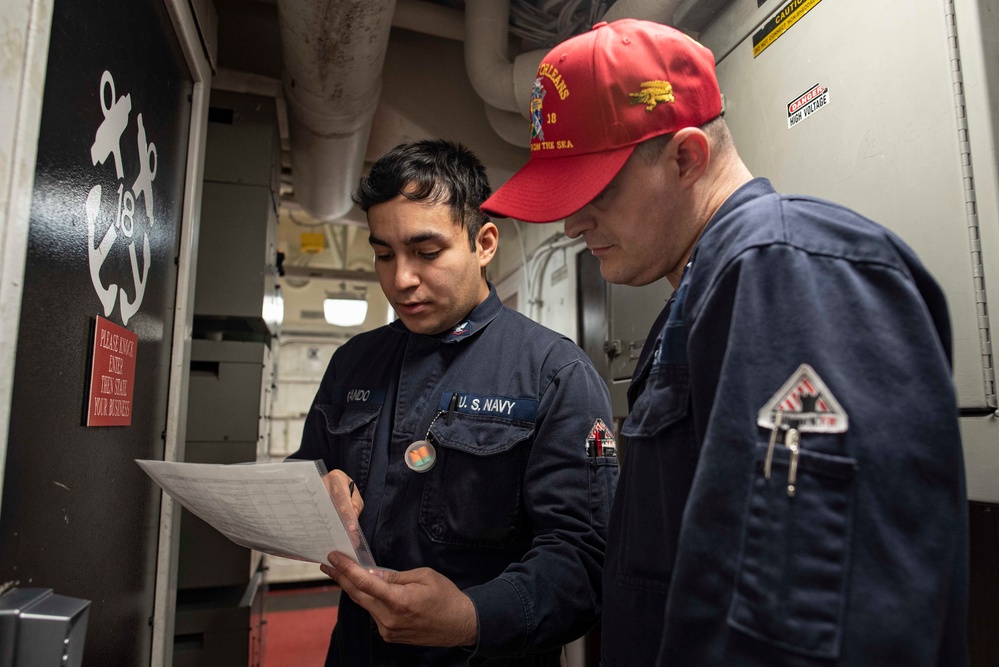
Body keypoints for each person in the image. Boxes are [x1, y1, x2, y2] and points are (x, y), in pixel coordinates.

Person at [482, 19, 968, 667]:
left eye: (595, 190)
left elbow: (812, 622)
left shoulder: (784, 269)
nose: (572, 223)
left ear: (686, 156)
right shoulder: (705, 293)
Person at [288, 138, 618, 666]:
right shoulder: (353, 361)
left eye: (426, 252)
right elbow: (306, 466)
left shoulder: (554, 374)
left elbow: (584, 560)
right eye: (383, 254)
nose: (400, 279)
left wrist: (471, 616)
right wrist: (315, 489)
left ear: (484, 243)